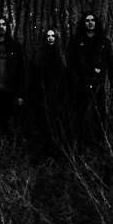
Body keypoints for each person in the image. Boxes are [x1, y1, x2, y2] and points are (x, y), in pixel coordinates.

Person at [69, 11, 113, 144]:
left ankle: (100, 143)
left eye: (92, 20)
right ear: (83, 23)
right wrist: (76, 78)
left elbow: (111, 65)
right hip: (81, 83)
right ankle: (78, 144)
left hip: (99, 83)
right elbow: (71, 62)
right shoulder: (76, 41)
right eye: (87, 20)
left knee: (100, 115)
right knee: (79, 115)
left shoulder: (105, 42)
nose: (90, 23)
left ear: (96, 22)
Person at [31, 25, 70, 154]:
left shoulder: (61, 54)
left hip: (58, 95)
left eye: (53, 36)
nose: (50, 38)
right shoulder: (40, 54)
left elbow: (65, 76)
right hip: (42, 95)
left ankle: (56, 151)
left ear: (56, 37)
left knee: (56, 123)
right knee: (43, 123)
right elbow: (35, 75)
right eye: (48, 36)